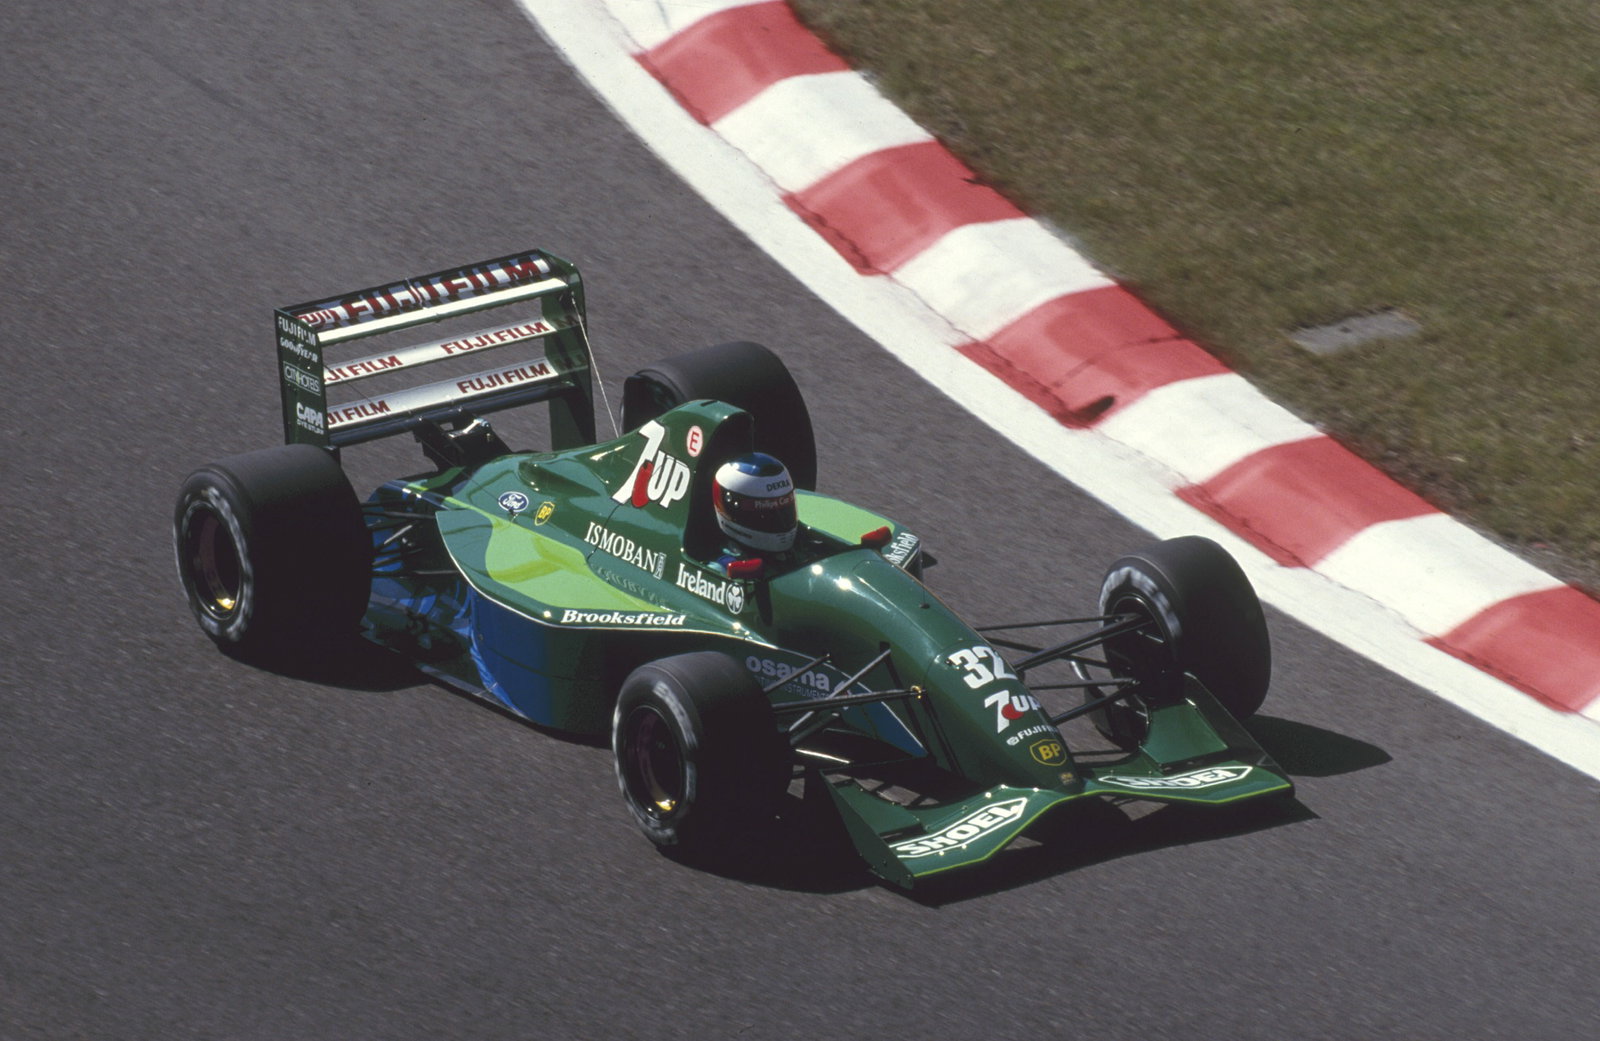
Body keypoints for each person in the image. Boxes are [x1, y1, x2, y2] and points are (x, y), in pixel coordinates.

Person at [711, 452, 797, 560]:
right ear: (732, 510)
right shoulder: (722, 566)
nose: (782, 522)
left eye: (785, 511)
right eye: (767, 517)